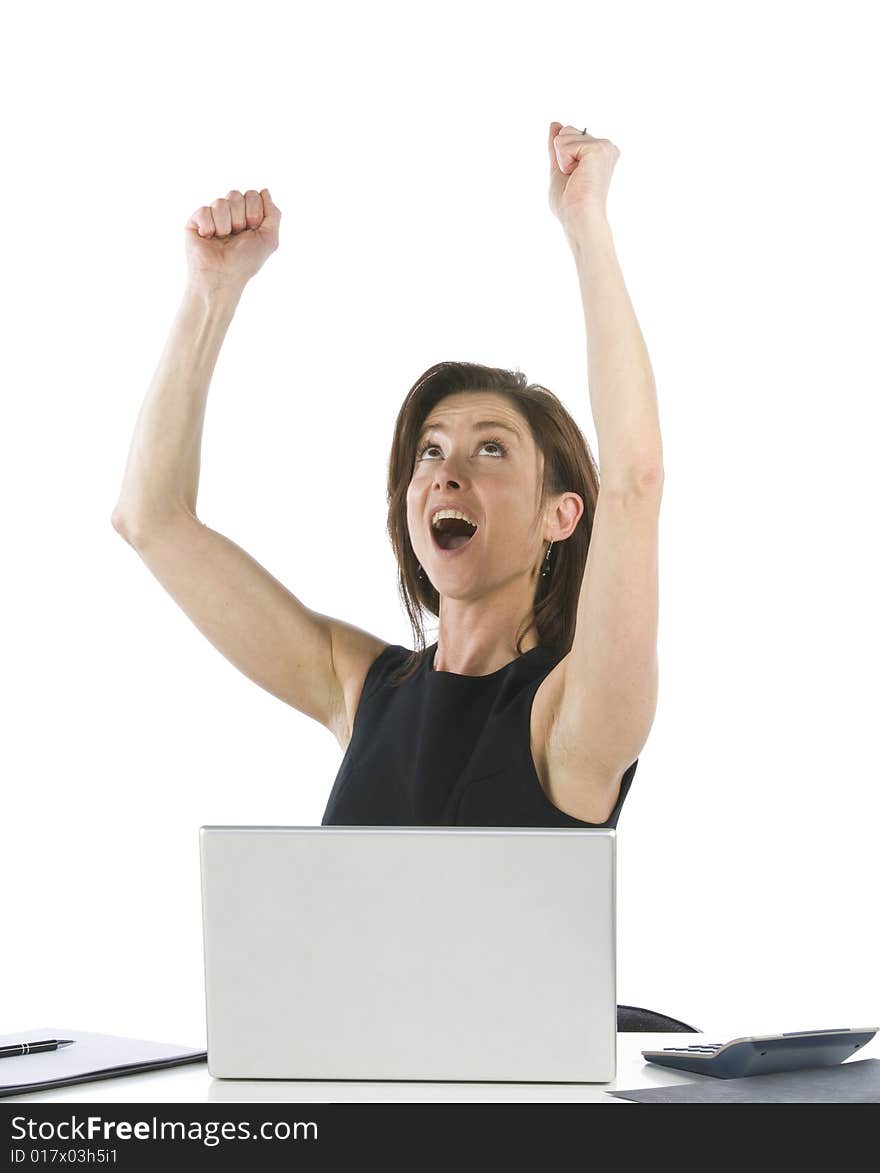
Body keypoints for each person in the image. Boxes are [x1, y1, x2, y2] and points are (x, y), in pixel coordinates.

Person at [111, 123, 664, 833]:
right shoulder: (362, 689)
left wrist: (586, 220)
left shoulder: (576, 720)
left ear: (562, 513)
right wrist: (211, 292)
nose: (445, 473)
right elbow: (149, 517)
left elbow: (636, 480)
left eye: (491, 450)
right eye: (429, 452)